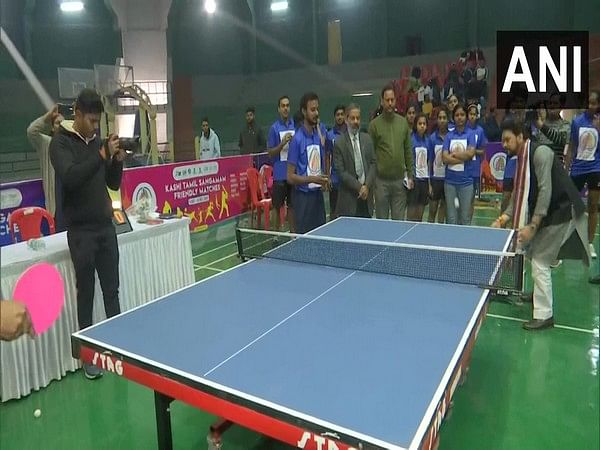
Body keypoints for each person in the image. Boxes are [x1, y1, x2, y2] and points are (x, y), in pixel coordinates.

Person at [49, 88, 125, 379]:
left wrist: (116, 160)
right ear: (77, 114)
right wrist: (101, 153)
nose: (96, 126)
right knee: (87, 293)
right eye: (92, 121)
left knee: (111, 290)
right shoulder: (60, 143)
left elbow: (113, 184)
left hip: (106, 228)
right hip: (80, 232)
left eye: (98, 122)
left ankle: (118, 348)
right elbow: (70, 177)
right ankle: (89, 356)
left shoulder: (99, 144)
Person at [492, 118, 589, 330]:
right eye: (502, 142)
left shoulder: (541, 153)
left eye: (508, 140)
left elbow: (545, 191)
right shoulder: (521, 160)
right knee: (533, 254)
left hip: (563, 211)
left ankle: (545, 315)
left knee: (539, 260)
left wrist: (532, 226)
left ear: (520, 136)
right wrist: (504, 218)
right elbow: (519, 193)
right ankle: (537, 294)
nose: (505, 145)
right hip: (552, 212)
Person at [368, 84, 414, 220]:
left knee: (398, 224)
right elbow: (371, 156)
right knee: (382, 223)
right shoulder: (374, 125)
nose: (389, 103)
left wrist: (410, 175)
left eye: (392, 100)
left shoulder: (403, 123)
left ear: (395, 101)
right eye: (387, 100)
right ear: (381, 101)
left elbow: (407, 151)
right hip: (381, 182)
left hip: (400, 182)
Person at [287, 92, 329, 233]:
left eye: (317, 109)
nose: (316, 113)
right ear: (304, 112)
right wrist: (312, 179)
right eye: (312, 110)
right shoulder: (296, 140)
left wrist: (323, 179)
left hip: (318, 197)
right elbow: (290, 177)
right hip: (302, 199)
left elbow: (317, 164)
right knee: (304, 242)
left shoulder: (318, 137)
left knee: (321, 236)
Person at [566, 90, 600, 259]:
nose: (591, 106)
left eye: (594, 103)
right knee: (570, 205)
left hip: (595, 169)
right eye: (589, 103)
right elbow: (571, 146)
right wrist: (566, 169)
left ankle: (589, 243)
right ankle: (566, 239)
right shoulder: (576, 121)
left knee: (593, 206)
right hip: (578, 169)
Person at [333, 104, 376, 218]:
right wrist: (359, 187)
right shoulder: (339, 142)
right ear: (346, 120)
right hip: (349, 200)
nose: (356, 121)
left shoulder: (367, 139)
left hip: (366, 199)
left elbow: (373, 163)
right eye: (352, 118)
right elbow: (341, 172)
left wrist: (366, 186)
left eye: (358, 118)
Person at [27, 105, 64, 226]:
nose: (61, 126)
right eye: (58, 123)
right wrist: (47, 117)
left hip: (72, 209)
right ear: (53, 128)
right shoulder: (46, 144)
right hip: (55, 209)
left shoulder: (72, 146)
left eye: (64, 124)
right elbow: (31, 131)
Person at [442, 104, 476, 225]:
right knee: (451, 218)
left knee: (465, 218)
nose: (459, 117)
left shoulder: (471, 135)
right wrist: (463, 156)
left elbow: (471, 154)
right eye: (457, 115)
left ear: (466, 117)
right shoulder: (449, 136)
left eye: (462, 115)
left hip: (466, 183)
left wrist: (453, 155)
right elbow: (444, 158)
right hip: (450, 183)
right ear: (453, 117)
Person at [267, 95, 296, 231]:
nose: (285, 108)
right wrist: (282, 143)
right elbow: (271, 152)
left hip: (293, 174)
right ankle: (276, 235)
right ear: (279, 109)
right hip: (279, 175)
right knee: (277, 207)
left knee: (292, 206)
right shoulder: (274, 128)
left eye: (287, 105)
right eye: (283, 106)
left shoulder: (295, 125)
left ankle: (293, 234)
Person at [407, 113, 433, 221]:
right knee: (411, 213)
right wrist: (409, 177)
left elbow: (429, 162)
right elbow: (407, 160)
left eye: (424, 124)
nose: (422, 126)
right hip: (414, 181)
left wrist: (429, 183)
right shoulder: (411, 140)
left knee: (420, 214)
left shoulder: (428, 141)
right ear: (415, 125)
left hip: (424, 181)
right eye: (419, 123)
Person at [429, 106, 449, 223]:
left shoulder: (451, 137)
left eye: (444, 117)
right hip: (435, 179)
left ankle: (441, 233)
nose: (442, 120)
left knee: (443, 209)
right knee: (432, 210)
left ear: (447, 119)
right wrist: (429, 183)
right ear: (437, 120)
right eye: (440, 118)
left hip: (447, 179)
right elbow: (429, 161)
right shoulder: (432, 139)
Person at [325, 105, 346, 219]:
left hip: (348, 178)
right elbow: (327, 156)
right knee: (334, 209)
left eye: (342, 114)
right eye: (338, 115)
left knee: (347, 209)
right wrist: (328, 177)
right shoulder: (329, 135)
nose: (340, 117)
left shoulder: (349, 133)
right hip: (335, 179)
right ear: (334, 117)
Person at [467, 103, 488, 208]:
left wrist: (473, 151)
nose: (472, 116)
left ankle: (468, 222)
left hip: (475, 169)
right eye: (470, 114)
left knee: (470, 200)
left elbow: (483, 151)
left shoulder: (480, 131)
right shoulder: (462, 129)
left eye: (474, 114)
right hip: (464, 169)